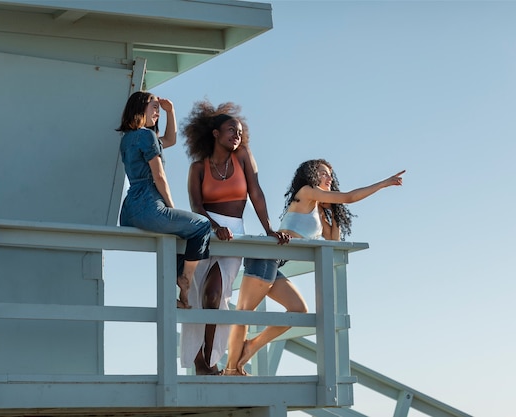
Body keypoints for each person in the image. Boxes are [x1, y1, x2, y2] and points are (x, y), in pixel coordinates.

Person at [224, 159, 405, 375]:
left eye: (330, 175)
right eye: (323, 173)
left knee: (298, 310)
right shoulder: (306, 192)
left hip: (275, 263)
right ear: (311, 175)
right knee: (245, 312)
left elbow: (334, 242)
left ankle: (251, 346)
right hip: (265, 257)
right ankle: (231, 369)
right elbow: (348, 197)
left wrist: (335, 209)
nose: (329, 178)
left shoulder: (317, 210)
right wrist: (383, 183)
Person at [179, 100, 290, 375]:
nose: (237, 135)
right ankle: (198, 361)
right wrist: (214, 227)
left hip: (233, 235)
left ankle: (211, 359)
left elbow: (256, 193)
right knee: (197, 296)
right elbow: (197, 207)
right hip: (204, 231)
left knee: (216, 293)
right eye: (231, 130)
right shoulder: (198, 168)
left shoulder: (242, 157)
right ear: (215, 133)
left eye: (240, 131)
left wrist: (269, 229)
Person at [116, 91, 212, 309]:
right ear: (140, 108)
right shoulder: (146, 136)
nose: (158, 112)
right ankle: (185, 281)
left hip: (129, 210)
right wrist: (171, 206)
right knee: (201, 226)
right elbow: (159, 176)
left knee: (178, 239)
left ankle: (177, 293)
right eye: (154, 107)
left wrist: (171, 112)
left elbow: (170, 140)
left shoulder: (128, 139)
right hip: (149, 205)